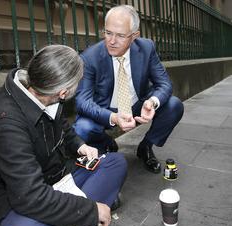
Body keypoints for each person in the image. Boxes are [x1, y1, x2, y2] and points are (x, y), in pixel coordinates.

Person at [0, 45, 127, 226]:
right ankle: (76, 218)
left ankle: (69, 221)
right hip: (16, 197)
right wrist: (90, 211)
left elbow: (63, 128)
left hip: (57, 179)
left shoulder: (45, 91)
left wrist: (79, 145)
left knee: (116, 163)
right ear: (63, 92)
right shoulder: (6, 124)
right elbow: (30, 196)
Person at [73, 5, 184, 174]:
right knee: (82, 128)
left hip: (137, 105)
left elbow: (164, 84)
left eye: (120, 36)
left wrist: (152, 103)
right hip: (105, 110)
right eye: (108, 33)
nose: (111, 41)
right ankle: (106, 144)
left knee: (174, 105)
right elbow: (82, 101)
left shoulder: (146, 48)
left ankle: (145, 147)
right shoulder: (89, 57)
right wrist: (113, 117)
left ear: (134, 36)